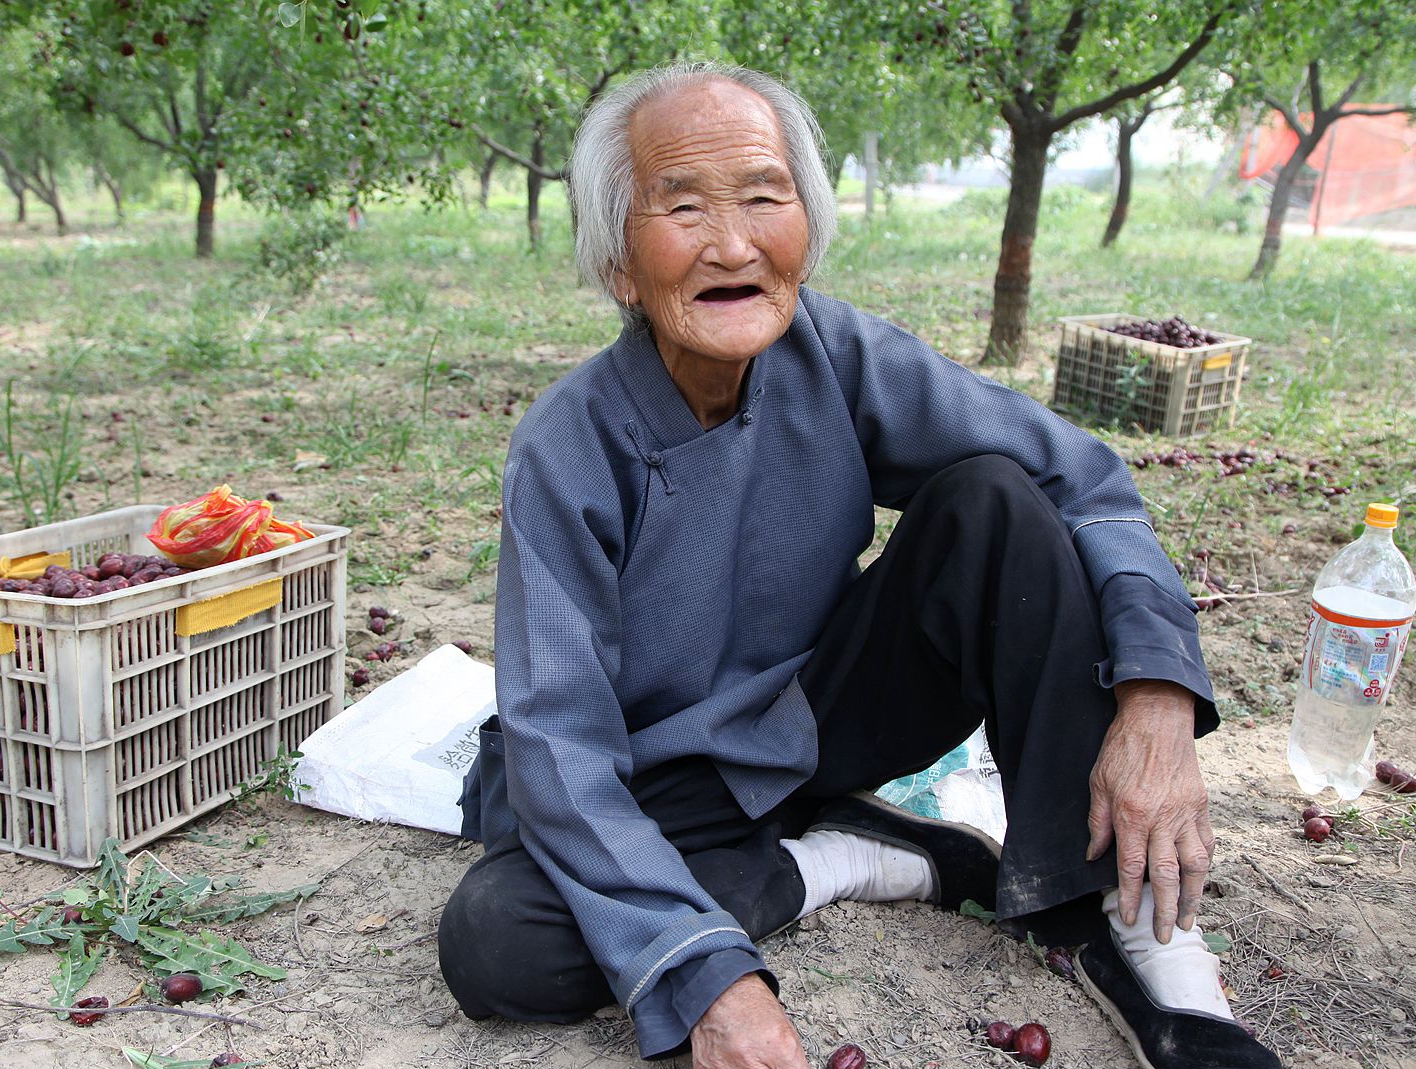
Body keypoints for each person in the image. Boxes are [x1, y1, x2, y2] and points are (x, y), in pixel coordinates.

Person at [436, 62, 1280, 1069]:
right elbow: (560, 743)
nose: (732, 242)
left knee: (995, 500)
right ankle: (834, 861)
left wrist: (1154, 698)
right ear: (620, 262)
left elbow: (1082, 478)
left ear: (807, 221)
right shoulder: (565, 447)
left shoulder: (834, 356)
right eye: (681, 206)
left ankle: (1118, 920)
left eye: (763, 195)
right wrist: (707, 974)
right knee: (497, 939)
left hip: (807, 720)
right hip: (653, 774)